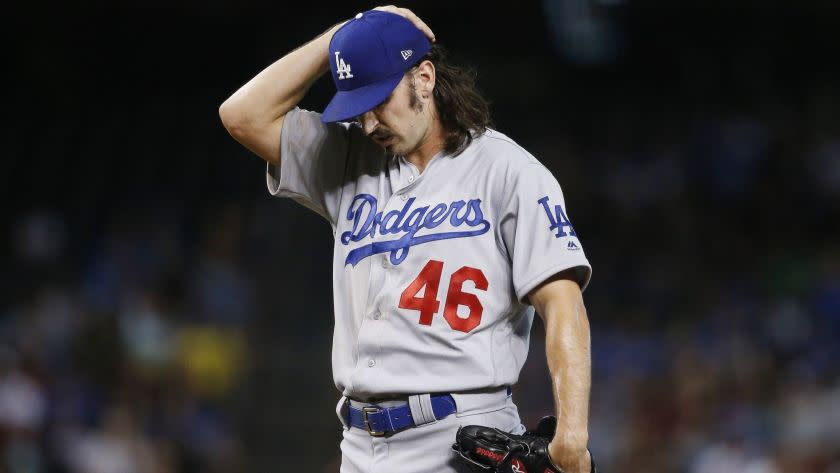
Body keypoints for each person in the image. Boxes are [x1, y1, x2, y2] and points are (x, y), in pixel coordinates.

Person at [219, 6, 594, 473]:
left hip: (462, 437)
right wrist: (345, 34)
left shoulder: (509, 171)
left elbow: (562, 301)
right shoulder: (347, 159)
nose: (370, 123)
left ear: (424, 78)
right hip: (358, 445)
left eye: (379, 100)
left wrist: (573, 434)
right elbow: (240, 115)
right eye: (357, 109)